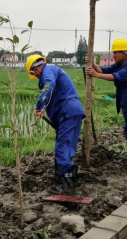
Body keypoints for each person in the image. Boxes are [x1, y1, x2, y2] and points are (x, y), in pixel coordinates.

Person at [85, 39, 127, 171]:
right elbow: (104, 71)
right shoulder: (119, 65)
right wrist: (92, 64)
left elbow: (114, 77)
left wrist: (95, 74)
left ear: (123, 52)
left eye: (115, 53)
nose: (113, 55)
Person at [26, 54, 85, 193]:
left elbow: (49, 85)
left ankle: (67, 186)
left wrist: (40, 105)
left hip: (68, 112)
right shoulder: (53, 71)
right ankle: (62, 177)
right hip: (71, 113)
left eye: (34, 72)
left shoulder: (48, 71)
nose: (36, 75)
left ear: (35, 68)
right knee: (66, 146)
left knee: (62, 148)